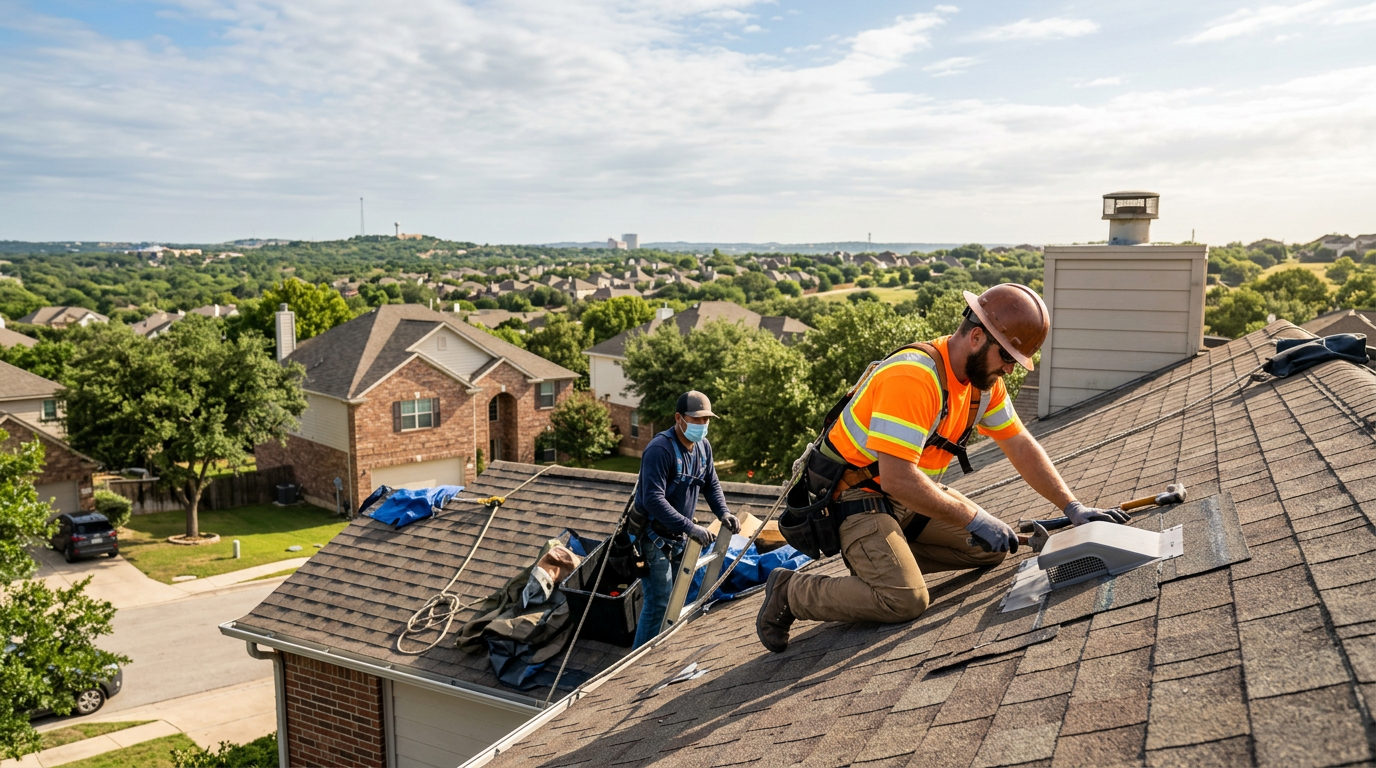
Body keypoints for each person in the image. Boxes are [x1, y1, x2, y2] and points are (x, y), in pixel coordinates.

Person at [757, 284, 1126, 652]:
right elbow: (898, 477)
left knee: (988, 550)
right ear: (978, 337)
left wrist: (1072, 506)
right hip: (857, 499)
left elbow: (1020, 444)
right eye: (1008, 357)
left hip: (904, 499)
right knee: (904, 600)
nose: (1011, 369)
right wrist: (973, 518)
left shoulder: (983, 385)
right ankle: (791, 592)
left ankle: (883, 562)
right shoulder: (914, 377)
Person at [632, 391, 740, 648]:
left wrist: (723, 513)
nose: (702, 426)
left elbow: (711, 484)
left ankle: (662, 649)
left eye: (706, 421)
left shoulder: (703, 448)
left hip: (679, 536)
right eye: (696, 420)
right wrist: (691, 527)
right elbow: (653, 500)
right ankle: (636, 661)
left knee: (675, 602)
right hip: (653, 537)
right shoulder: (660, 449)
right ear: (679, 418)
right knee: (659, 602)